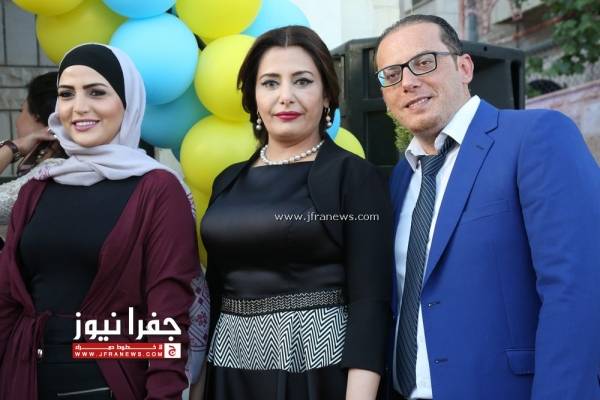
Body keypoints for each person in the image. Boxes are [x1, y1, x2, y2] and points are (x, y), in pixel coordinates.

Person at [375, 14, 600, 400]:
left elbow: (578, 290)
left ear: (464, 67)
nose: (407, 82)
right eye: (391, 74)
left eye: (424, 62)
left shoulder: (536, 137)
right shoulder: (401, 177)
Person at [201, 25, 394, 400]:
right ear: (253, 96)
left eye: (302, 81)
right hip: (228, 372)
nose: (285, 96)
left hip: (318, 375)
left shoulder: (354, 177)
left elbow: (370, 302)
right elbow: (213, 297)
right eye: (270, 83)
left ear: (327, 95)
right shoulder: (227, 181)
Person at [0, 43, 202, 399]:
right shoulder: (37, 188)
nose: (79, 107)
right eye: (67, 94)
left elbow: (168, 315)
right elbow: (6, 300)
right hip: (25, 378)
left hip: (107, 382)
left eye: (96, 92)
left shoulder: (157, 189)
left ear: (128, 102)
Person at [0, 71, 66, 225]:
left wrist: (13, 147)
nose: (17, 120)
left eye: (21, 111)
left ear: (37, 116)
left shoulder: (52, 169)